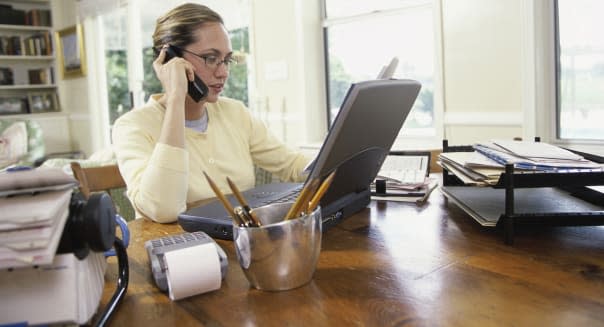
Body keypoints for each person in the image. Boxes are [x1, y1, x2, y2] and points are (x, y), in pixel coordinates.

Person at [112, 3, 310, 223]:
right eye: (210, 58)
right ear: (170, 58)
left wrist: (339, 164)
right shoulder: (132, 126)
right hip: (179, 248)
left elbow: (291, 165)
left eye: (226, 60)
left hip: (239, 241)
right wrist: (176, 96)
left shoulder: (235, 113)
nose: (223, 72)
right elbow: (164, 209)